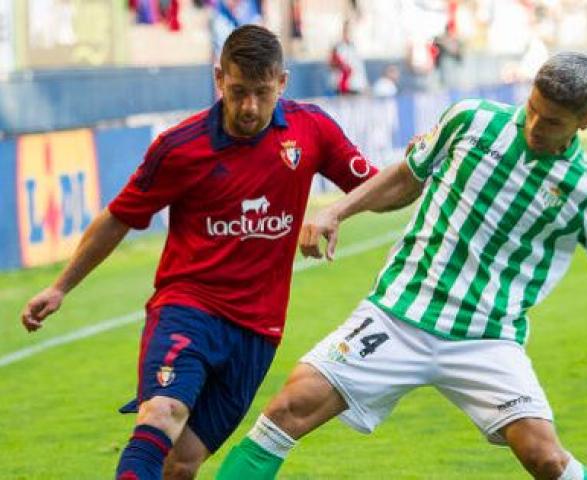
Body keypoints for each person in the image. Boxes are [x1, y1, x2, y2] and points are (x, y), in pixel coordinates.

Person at [215, 52, 587, 479]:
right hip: (398, 314)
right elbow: (406, 177)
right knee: (287, 410)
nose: (534, 127)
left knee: (545, 458)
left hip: (487, 339)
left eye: (553, 121)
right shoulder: (471, 121)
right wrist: (336, 211)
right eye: (532, 109)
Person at [20, 25, 377, 480]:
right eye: (238, 91)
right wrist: (60, 286)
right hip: (188, 308)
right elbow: (118, 216)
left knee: (181, 463)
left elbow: (381, 186)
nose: (249, 107)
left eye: (262, 93)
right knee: (162, 412)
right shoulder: (180, 147)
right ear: (218, 79)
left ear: (282, 83)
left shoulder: (311, 129)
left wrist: (339, 210)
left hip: (258, 330)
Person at [328, 20, 369, 95]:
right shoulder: (337, 47)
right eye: (346, 30)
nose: (348, 33)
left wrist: (364, 85)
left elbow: (359, 68)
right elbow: (332, 65)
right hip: (343, 86)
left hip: (356, 85)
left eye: (350, 31)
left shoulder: (355, 47)